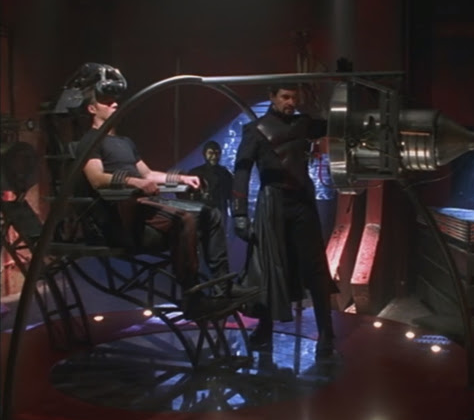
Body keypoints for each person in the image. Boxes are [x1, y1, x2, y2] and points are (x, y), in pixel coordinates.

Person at [76, 90, 252, 320]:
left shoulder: (124, 142)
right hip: (120, 214)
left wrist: (181, 178)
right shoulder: (90, 141)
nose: (115, 104)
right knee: (184, 219)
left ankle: (223, 286)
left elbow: (148, 174)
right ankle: (192, 298)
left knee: (210, 214)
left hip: (142, 204)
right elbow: (97, 178)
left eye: (114, 101)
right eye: (107, 102)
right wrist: (135, 182)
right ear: (92, 109)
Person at [231, 84, 337, 358]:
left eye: (294, 98)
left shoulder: (304, 124)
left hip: (302, 203)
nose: (291, 102)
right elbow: (241, 171)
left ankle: (326, 333)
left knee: (315, 267)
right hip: (273, 203)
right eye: (285, 97)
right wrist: (239, 213)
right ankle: (265, 329)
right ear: (272, 97)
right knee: (270, 266)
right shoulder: (255, 130)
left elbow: (336, 123)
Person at [187, 140, 233, 219]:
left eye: (217, 153)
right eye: (210, 153)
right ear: (204, 154)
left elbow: (231, 195)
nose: (214, 156)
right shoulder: (195, 173)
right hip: (200, 213)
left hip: (220, 213)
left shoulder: (225, 173)